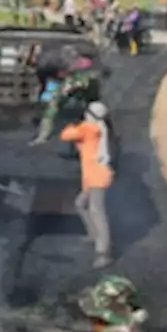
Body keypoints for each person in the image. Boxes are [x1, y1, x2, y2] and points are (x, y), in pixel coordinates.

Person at [61, 102, 114, 268]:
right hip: (92, 177)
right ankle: (93, 234)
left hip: (97, 177)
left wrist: (70, 123)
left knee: (97, 211)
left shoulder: (88, 128)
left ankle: (103, 253)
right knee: (80, 203)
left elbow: (66, 135)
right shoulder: (100, 128)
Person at [32, 50, 101, 145]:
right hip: (69, 82)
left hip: (79, 82)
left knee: (93, 105)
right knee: (51, 108)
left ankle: (44, 134)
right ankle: (43, 134)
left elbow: (87, 79)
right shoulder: (59, 67)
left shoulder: (83, 70)